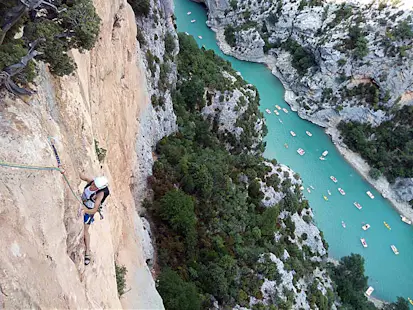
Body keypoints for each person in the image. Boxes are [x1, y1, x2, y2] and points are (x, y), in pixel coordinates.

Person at [80, 173, 110, 265]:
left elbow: (94, 210)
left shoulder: (100, 194)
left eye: (95, 186)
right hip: (82, 203)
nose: (92, 186)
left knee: (85, 230)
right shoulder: (92, 181)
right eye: (93, 184)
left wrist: (84, 210)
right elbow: (81, 175)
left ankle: (87, 251)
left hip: (89, 209)